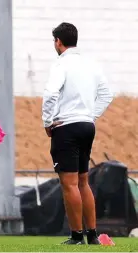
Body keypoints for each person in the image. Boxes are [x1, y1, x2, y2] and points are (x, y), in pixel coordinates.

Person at [42, 22, 113, 245]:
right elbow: (106, 94)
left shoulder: (61, 64)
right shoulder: (90, 64)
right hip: (86, 126)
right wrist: (91, 115)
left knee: (69, 183)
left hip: (67, 127)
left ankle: (76, 235)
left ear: (58, 42)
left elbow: (51, 93)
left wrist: (47, 121)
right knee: (83, 181)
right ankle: (92, 235)